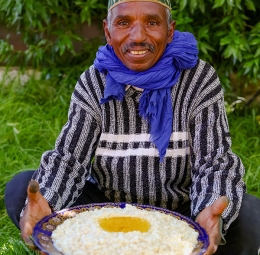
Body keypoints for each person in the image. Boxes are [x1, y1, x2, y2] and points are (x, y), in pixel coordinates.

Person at [4, 0, 260, 254]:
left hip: (181, 209)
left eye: (152, 23)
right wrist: (46, 199)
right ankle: (91, 244)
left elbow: (214, 161)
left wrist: (208, 210)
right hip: (106, 205)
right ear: (107, 31)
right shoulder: (94, 81)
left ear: (170, 30)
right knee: (22, 191)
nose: (138, 36)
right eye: (124, 23)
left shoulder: (199, 79)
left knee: (249, 215)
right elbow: (69, 159)